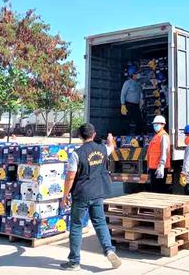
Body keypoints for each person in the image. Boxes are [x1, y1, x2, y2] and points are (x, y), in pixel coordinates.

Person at [60, 123, 121, 271]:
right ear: (94, 134)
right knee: (100, 223)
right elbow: (111, 147)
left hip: (81, 194)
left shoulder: (76, 154)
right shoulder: (103, 149)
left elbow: (70, 177)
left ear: (80, 136)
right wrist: (110, 139)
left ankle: (74, 262)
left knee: (76, 226)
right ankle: (109, 250)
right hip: (98, 193)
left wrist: (65, 195)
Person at [146, 115, 170, 193]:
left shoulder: (163, 136)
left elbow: (164, 152)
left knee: (159, 190)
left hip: (159, 168)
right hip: (153, 167)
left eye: (157, 124)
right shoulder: (156, 136)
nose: (155, 126)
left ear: (163, 124)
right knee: (154, 190)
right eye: (154, 124)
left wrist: (162, 165)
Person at [120, 65, 143, 134]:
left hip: (136, 105)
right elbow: (123, 94)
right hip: (128, 105)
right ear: (132, 75)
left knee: (139, 121)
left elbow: (146, 80)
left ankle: (138, 135)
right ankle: (124, 135)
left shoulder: (138, 83)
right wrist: (123, 104)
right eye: (136, 73)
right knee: (126, 121)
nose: (138, 75)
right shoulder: (127, 83)